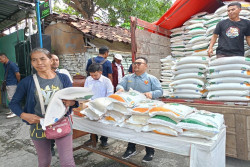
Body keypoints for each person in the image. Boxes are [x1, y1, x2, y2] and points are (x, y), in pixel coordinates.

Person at [9, 48, 77, 167]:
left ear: (51, 60)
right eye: (34, 60)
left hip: (61, 123)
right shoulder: (27, 82)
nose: (39, 63)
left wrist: (71, 102)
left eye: (42, 59)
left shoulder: (63, 78)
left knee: (67, 163)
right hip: (38, 125)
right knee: (44, 161)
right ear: (31, 63)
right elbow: (13, 103)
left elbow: (73, 99)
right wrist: (23, 115)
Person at [116, 57, 163, 162]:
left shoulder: (151, 78)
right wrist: (120, 88)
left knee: (146, 129)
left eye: (139, 63)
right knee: (131, 127)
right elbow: (120, 84)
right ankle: (131, 148)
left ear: (145, 66)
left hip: (145, 109)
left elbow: (159, 91)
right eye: (134, 63)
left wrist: (151, 93)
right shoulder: (128, 77)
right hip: (131, 108)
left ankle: (150, 151)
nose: (136, 65)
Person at [84, 63, 114, 148]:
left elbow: (110, 94)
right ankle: (93, 138)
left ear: (100, 72)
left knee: (103, 123)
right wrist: (89, 101)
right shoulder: (88, 79)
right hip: (91, 104)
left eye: (95, 75)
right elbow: (86, 92)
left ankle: (104, 140)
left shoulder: (106, 81)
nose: (93, 77)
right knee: (91, 121)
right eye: (91, 75)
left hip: (103, 105)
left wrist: (103, 104)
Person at [0, 53, 20, 118]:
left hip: (12, 83)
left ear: (4, 57)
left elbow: (17, 74)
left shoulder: (12, 64)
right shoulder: (5, 65)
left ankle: (15, 112)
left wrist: (18, 81)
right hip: (8, 83)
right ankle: (12, 110)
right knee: (9, 98)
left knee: (12, 98)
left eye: (0, 59)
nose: (0, 61)